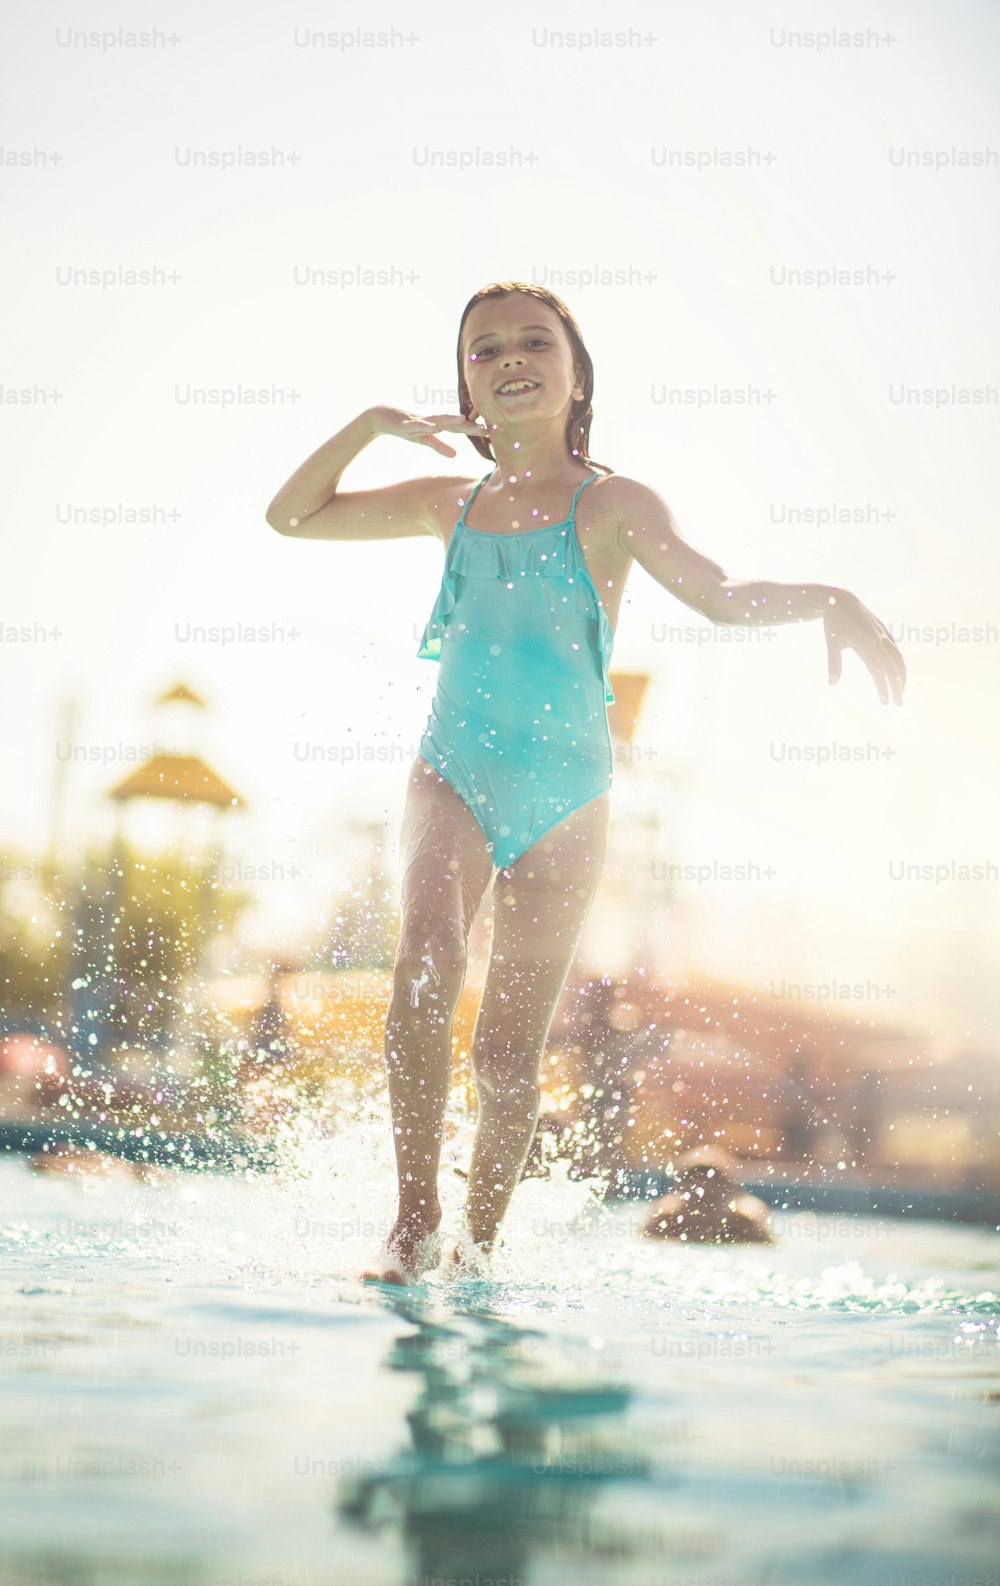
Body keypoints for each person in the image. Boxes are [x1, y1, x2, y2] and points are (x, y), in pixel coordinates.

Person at [265, 280, 905, 1286]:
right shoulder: (451, 502)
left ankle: (475, 1243)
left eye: (533, 342)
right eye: (485, 348)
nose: (510, 355)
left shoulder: (613, 504)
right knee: (423, 966)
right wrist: (365, 426)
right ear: (465, 386)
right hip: (452, 771)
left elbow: (723, 595)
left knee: (509, 1055)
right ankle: (411, 1219)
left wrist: (831, 594)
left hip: (567, 799)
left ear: (574, 375)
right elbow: (291, 517)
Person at [639, 1145, 774, 1244]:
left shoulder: (746, 1222)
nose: (703, 1187)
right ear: (679, 1190)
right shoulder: (665, 1219)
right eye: (696, 1197)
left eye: (711, 1197)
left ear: (730, 1193)